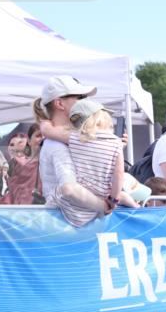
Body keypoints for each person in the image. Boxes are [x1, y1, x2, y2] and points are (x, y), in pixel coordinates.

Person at [34, 76, 110, 219]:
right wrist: (104, 206)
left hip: (75, 224)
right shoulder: (57, 144)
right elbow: (69, 189)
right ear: (59, 104)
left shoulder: (66, 139)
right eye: (80, 97)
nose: (86, 102)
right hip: (70, 226)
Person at [54, 99, 137, 227]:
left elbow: (49, 132)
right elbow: (118, 175)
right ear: (101, 119)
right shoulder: (116, 143)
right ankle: (137, 207)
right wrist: (113, 199)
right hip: (100, 201)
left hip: (73, 205)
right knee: (124, 196)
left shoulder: (74, 138)